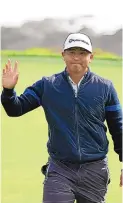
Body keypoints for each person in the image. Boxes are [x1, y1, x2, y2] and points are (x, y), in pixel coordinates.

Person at [1, 33, 122, 203]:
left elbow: (118, 128)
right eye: (72, 52)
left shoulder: (105, 87)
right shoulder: (47, 85)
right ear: (63, 55)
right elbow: (16, 109)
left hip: (95, 169)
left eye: (82, 53)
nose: (76, 57)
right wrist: (8, 91)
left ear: (91, 57)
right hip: (60, 168)